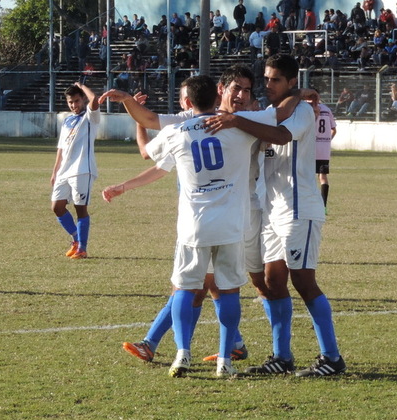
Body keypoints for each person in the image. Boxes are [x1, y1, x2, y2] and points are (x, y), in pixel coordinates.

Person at [99, 68, 308, 378]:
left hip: (193, 226)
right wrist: (300, 93)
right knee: (228, 291)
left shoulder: (177, 130)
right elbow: (279, 114)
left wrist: (127, 102)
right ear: (219, 93)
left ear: (187, 101)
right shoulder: (243, 127)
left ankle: (182, 353)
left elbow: (150, 143)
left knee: (184, 288)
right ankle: (226, 358)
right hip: (233, 225)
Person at [204, 54, 346, 378]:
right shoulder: (269, 112)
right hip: (273, 211)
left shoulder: (303, 112)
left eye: (276, 80)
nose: (268, 85)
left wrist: (238, 120)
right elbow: (265, 121)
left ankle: (332, 358)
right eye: (266, 79)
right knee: (272, 281)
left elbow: (282, 136)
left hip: (300, 208)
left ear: (291, 81)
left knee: (304, 281)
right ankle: (282, 357)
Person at [51, 83, 100, 260]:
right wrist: (55, 171)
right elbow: (61, 148)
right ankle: (76, 239)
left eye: (77, 101)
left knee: (80, 209)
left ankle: (83, 248)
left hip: (82, 169)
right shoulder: (67, 120)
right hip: (64, 170)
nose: (73, 105)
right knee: (57, 207)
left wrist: (82, 85)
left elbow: (94, 100)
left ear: (83, 99)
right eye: (70, 102)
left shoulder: (89, 117)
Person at [314, 102, 337, 211]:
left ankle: (309, 205)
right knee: (323, 177)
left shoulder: (306, 109)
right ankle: (323, 207)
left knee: (306, 177)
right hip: (323, 149)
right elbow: (334, 129)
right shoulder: (327, 110)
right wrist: (327, 140)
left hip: (310, 148)